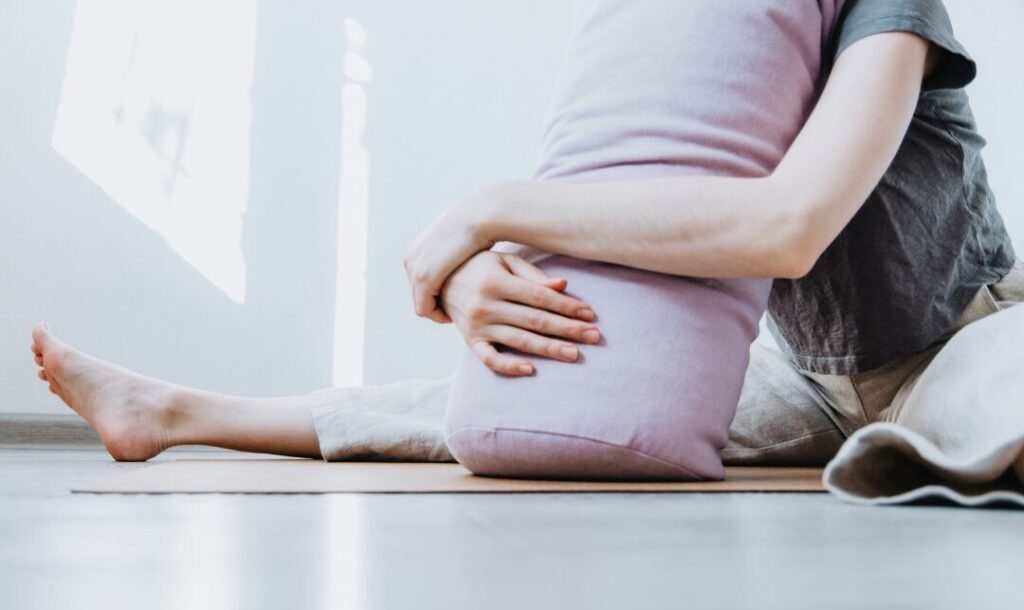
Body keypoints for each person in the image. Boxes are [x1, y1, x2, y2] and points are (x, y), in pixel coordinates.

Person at [30, 0, 1023, 482]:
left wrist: (495, 210)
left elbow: (786, 228)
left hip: (959, 340)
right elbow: (637, 193)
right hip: (814, 376)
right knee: (493, 388)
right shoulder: (698, 31)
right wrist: (476, 278)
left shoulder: (894, 16)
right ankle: (170, 410)